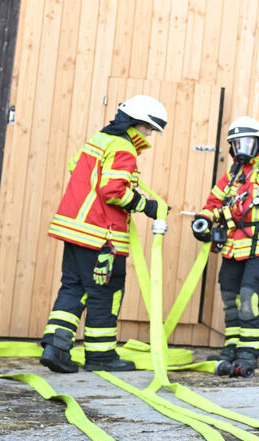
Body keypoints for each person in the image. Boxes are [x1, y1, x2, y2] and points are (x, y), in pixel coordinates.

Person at [39, 94, 169, 373]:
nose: (149, 134)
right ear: (134, 122)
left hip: (76, 230)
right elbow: (113, 191)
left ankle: (55, 348)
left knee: (73, 286)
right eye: (148, 127)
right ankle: (101, 356)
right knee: (105, 293)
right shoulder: (124, 147)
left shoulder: (100, 140)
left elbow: (76, 166)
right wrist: (147, 205)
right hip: (101, 235)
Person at [191, 116, 259, 377]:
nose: (242, 148)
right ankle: (231, 349)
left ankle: (248, 353)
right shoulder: (234, 174)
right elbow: (214, 203)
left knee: (249, 298)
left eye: (246, 142)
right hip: (232, 247)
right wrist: (203, 220)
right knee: (230, 299)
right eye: (236, 144)